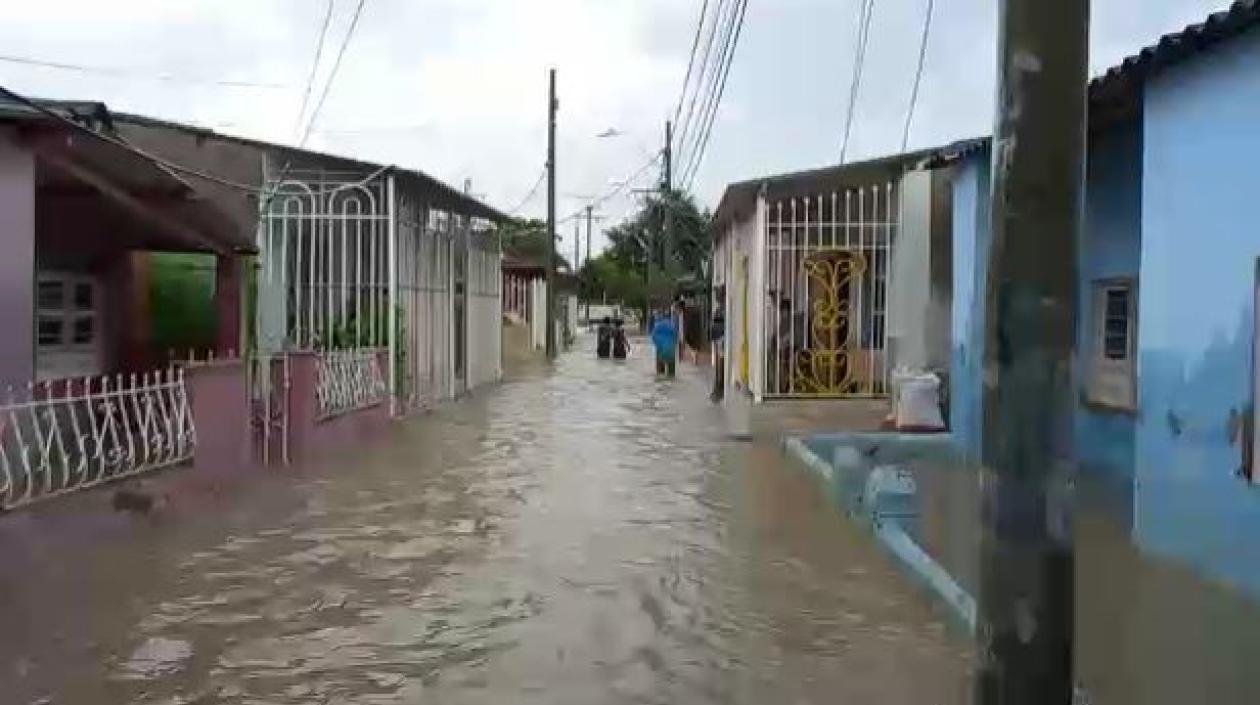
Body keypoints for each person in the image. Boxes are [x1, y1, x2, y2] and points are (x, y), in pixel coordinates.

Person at [650, 309, 679, 378]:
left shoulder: (657, 325)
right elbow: (676, 337)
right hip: (670, 350)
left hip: (660, 350)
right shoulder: (672, 325)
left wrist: (658, 345)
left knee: (660, 373)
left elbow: (653, 337)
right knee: (671, 373)